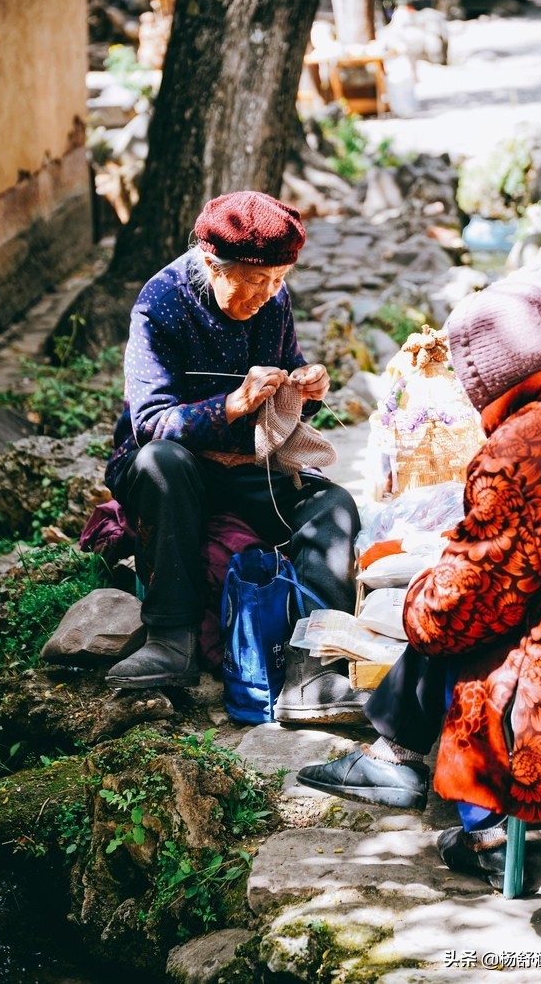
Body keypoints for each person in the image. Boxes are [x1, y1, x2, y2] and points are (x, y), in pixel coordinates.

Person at [299, 272, 541, 887]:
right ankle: (394, 754)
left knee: (465, 627)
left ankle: (481, 830)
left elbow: (450, 614)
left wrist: (413, 598)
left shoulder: (528, 446)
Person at [103, 190, 365, 722]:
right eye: (252, 282)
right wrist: (232, 404)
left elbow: (285, 387)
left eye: (277, 282)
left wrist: (305, 389)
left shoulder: (273, 298)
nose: (265, 295)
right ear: (209, 263)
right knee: (162, 463)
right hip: (173, 471)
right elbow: (152, 422)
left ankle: (311, 669)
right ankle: (170, 638)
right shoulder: (160, 304)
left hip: (249, 465)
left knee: (333, 507)